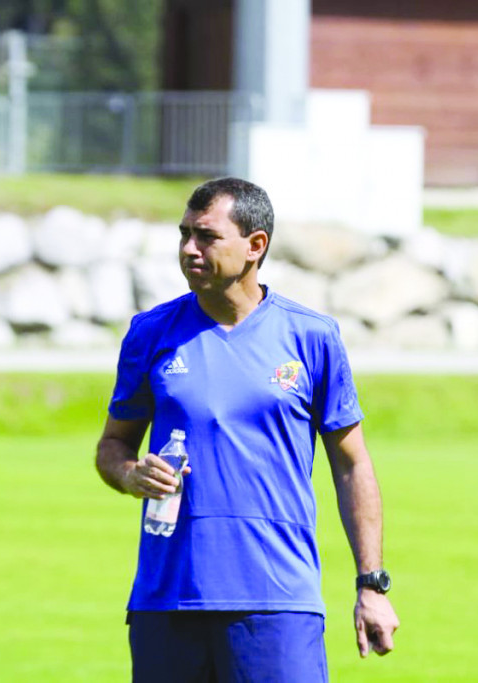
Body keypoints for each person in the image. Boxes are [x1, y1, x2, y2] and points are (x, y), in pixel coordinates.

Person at [95, 177, 399, 682]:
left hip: (278, 603)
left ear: (255, 245)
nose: (189, 249)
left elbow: (352, 465)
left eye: (207, 236)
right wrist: (129, 475)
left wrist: (372, 584)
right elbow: (113, 445)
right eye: (184, 234)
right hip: (166, 601)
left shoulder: (312, 337)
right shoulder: (150, 333)